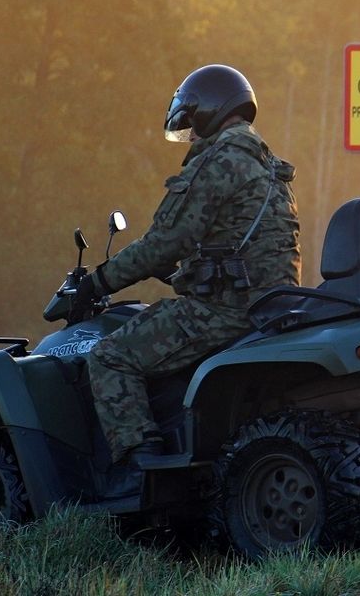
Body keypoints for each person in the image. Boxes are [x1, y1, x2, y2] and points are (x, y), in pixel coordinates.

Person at [74, 64, 301, 486]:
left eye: (193, 126)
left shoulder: (219, 161)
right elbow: (232, 244)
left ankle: (141, 471)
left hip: (225, 311)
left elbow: (163, 241)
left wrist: (97, 282)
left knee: (110, 356)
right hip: (273, 306)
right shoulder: (268, 166)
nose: (191, 137)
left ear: (208, 112)